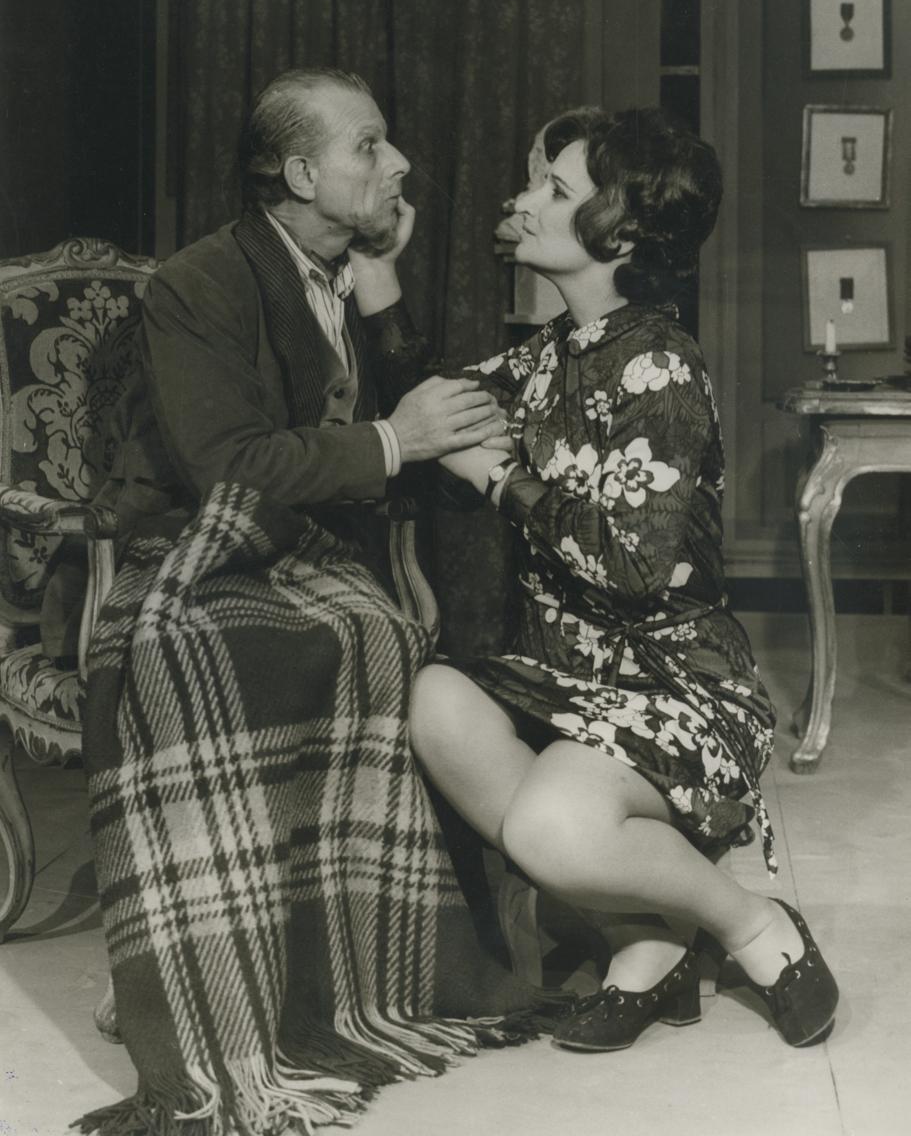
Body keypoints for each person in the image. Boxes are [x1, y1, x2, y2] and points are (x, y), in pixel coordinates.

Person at [76, 69, 546, 1136]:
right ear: (299, 174)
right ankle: (197, 964)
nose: (399, 164)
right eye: (369, 146)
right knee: (207, 656)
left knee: (371, 632)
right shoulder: (198, 282)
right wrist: (393, 439)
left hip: (312, 546)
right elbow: (228, 464)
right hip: (192, 544)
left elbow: (413, 415)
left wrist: (381, 286)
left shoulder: (348, 271)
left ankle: (332, 973)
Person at [386, 105, 836, 1054]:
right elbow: (430, 407)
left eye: (554, 188)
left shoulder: (661, 366)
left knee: (550, 830)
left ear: (620, 233)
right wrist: (380, 271)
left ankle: (751, 924)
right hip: (565, 678)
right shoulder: (549, 353)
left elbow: (631, 568)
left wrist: (499, 478)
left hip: (676, 685)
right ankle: (647, 934)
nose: (526, 200)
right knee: (435, 702)